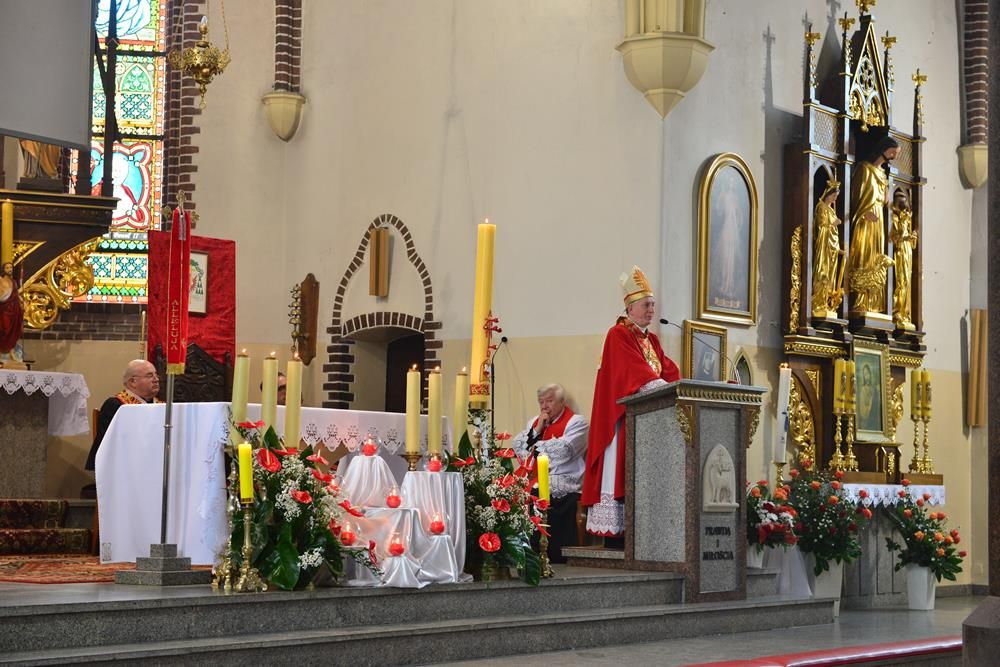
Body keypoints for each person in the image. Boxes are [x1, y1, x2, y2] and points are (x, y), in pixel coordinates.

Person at [581, 266, 681, 543]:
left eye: (653, 305)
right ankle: (618, 538)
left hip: (647, 421)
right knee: (620, 472)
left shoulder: (651, 339)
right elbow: (634, 373)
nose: (651, 310)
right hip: (623, 418)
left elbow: (668, 371)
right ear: (630, 308)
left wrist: (684, 388)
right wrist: (664, 388)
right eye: (646, 305)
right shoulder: (618, 334)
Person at [512, 383, 588, 564]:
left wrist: (533, 445)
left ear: (562, 402)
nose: (544, 406)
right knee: (509, 493)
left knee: (539, 494)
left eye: (549, 401)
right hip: (535, 478)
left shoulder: (577, 422)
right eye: (541, 402)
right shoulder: (535, 422)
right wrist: (537, 430)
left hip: (563, 480)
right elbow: (519, 449)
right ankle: (525, 555)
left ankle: (551, 555)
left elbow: (563, 452)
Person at [848, 135, 898, 313]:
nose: (894, 156)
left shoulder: (883, 174)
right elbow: (855, 197)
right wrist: (863, 213)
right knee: (864, 255)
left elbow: (885, 201)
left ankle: (873, 301)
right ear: (885, 150)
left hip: (878, 220)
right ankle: (859, 300)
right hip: (865, 219)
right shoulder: (864, 168)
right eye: (893, 152)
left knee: (876, 256)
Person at [85, 360, 162, 471]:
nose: (156, 379)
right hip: (123, 466)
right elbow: (110, 444)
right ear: (132, 382)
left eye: (156, 375)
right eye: (150, 376)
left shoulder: (161, 405)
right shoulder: (116, 405)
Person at [811, 178, 845, 316]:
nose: (835, 198)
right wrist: (833, 224)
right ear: (828, 194)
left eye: (837, 196)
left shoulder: (831, 210)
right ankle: (818, 302)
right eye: (834, 195)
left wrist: (838, 249)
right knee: (823, 274)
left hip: (832, 249)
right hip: (824, 248)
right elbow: (821, 228)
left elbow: (834, 234)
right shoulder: (821, 207)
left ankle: (825, 302)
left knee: (831, 277)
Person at [889, 189, 918, 328]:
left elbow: (913, 244)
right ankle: (897, 311)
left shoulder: (906, 218)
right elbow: (894, 238)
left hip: (907, 252)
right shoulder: (894, 218)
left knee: (907, 281)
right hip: (900, 252)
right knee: (900, 281)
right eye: (901, 199)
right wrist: (905, 235)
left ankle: (905, 312)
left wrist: (913, 236)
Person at [0, 262, 24, 361]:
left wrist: (22, 301)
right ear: (3, 269)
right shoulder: (0, 280)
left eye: (11, 267)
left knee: (13, 331)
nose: (10, 269)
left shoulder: (13, 282)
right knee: (4, 329)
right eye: (7, 267)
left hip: (14, 308)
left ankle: (11, 352)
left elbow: (16, 293)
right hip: (4, 309)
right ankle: (1, 352)